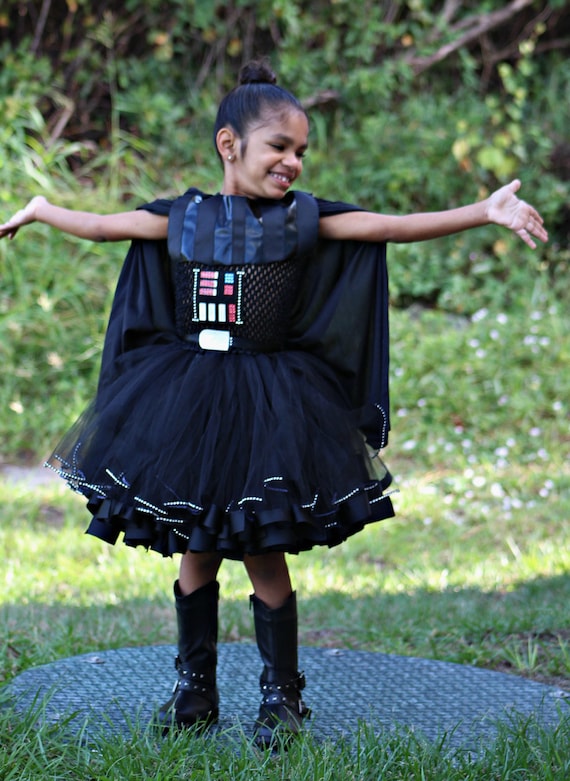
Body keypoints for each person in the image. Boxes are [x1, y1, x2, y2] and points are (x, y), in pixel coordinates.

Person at [0, 60, 547, 747]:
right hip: (188, 402)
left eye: (300, 152)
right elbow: (105, 225)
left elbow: (388, 226)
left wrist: (482, 210)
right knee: (196, 547)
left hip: (270, 404)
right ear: (230, 145)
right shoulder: (182, 218)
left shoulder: (301, 220)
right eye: (278, 148)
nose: (291, 162)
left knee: (262, 550)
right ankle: (194, 689)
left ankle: (281, 698)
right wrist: (44, 210)